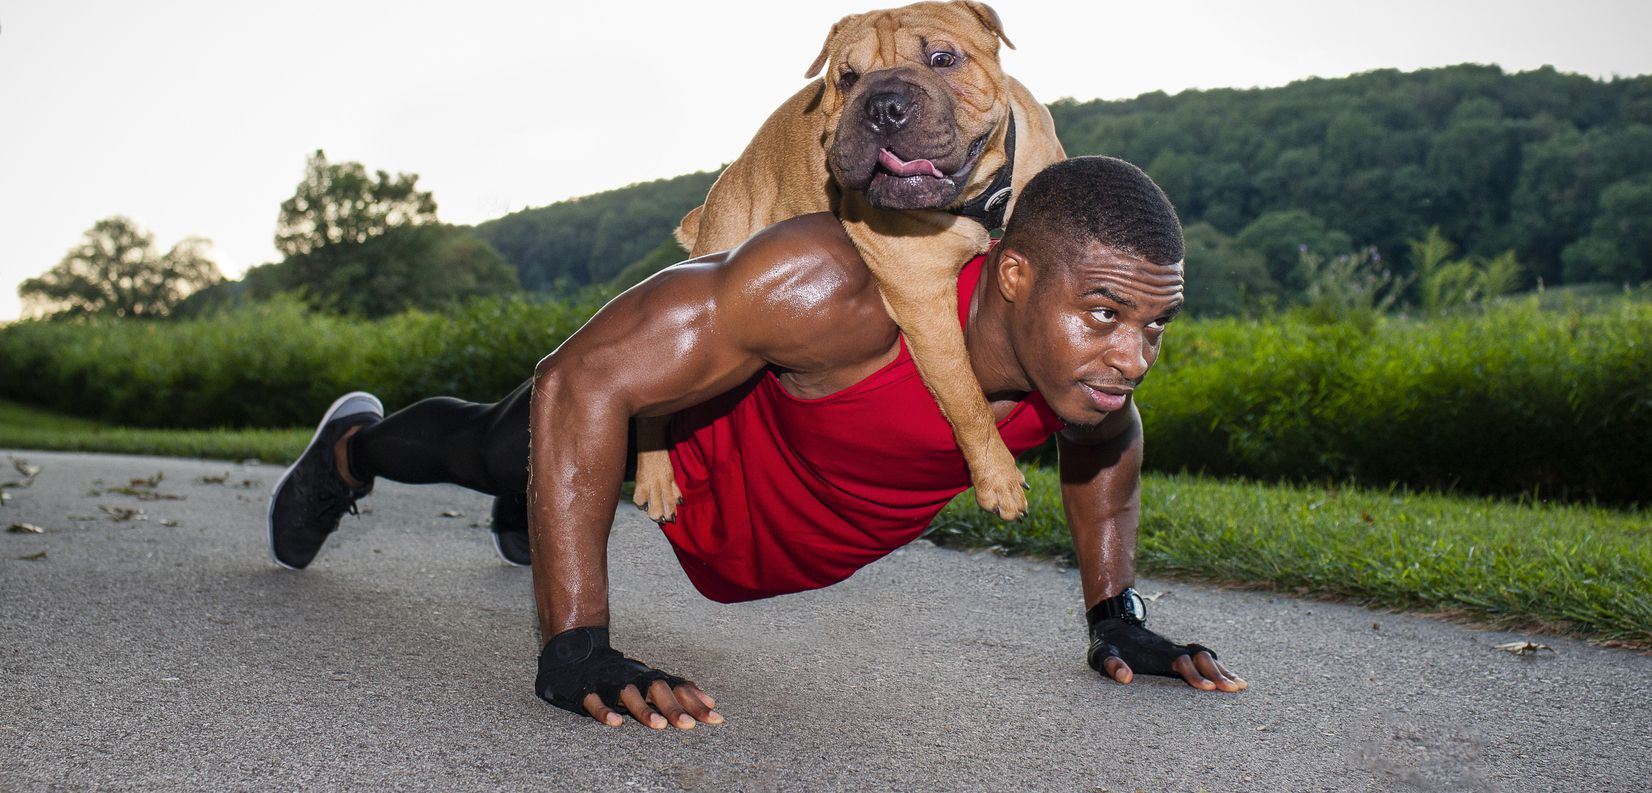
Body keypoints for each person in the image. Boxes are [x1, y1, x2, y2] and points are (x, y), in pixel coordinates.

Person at [266, 156, 1247, 731]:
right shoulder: (839, 289)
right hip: (681, 438)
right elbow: (584, 379)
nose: (1132, 357)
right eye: (1105, 312)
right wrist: (575, 646)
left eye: (1153, 325)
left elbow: (1109, 452)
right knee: (497, 445)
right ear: (1015, 276)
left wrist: (1113, 615)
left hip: (754, 539)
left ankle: (536, 501)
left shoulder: (1080, 386)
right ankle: (351, 449)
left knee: (535, 470)